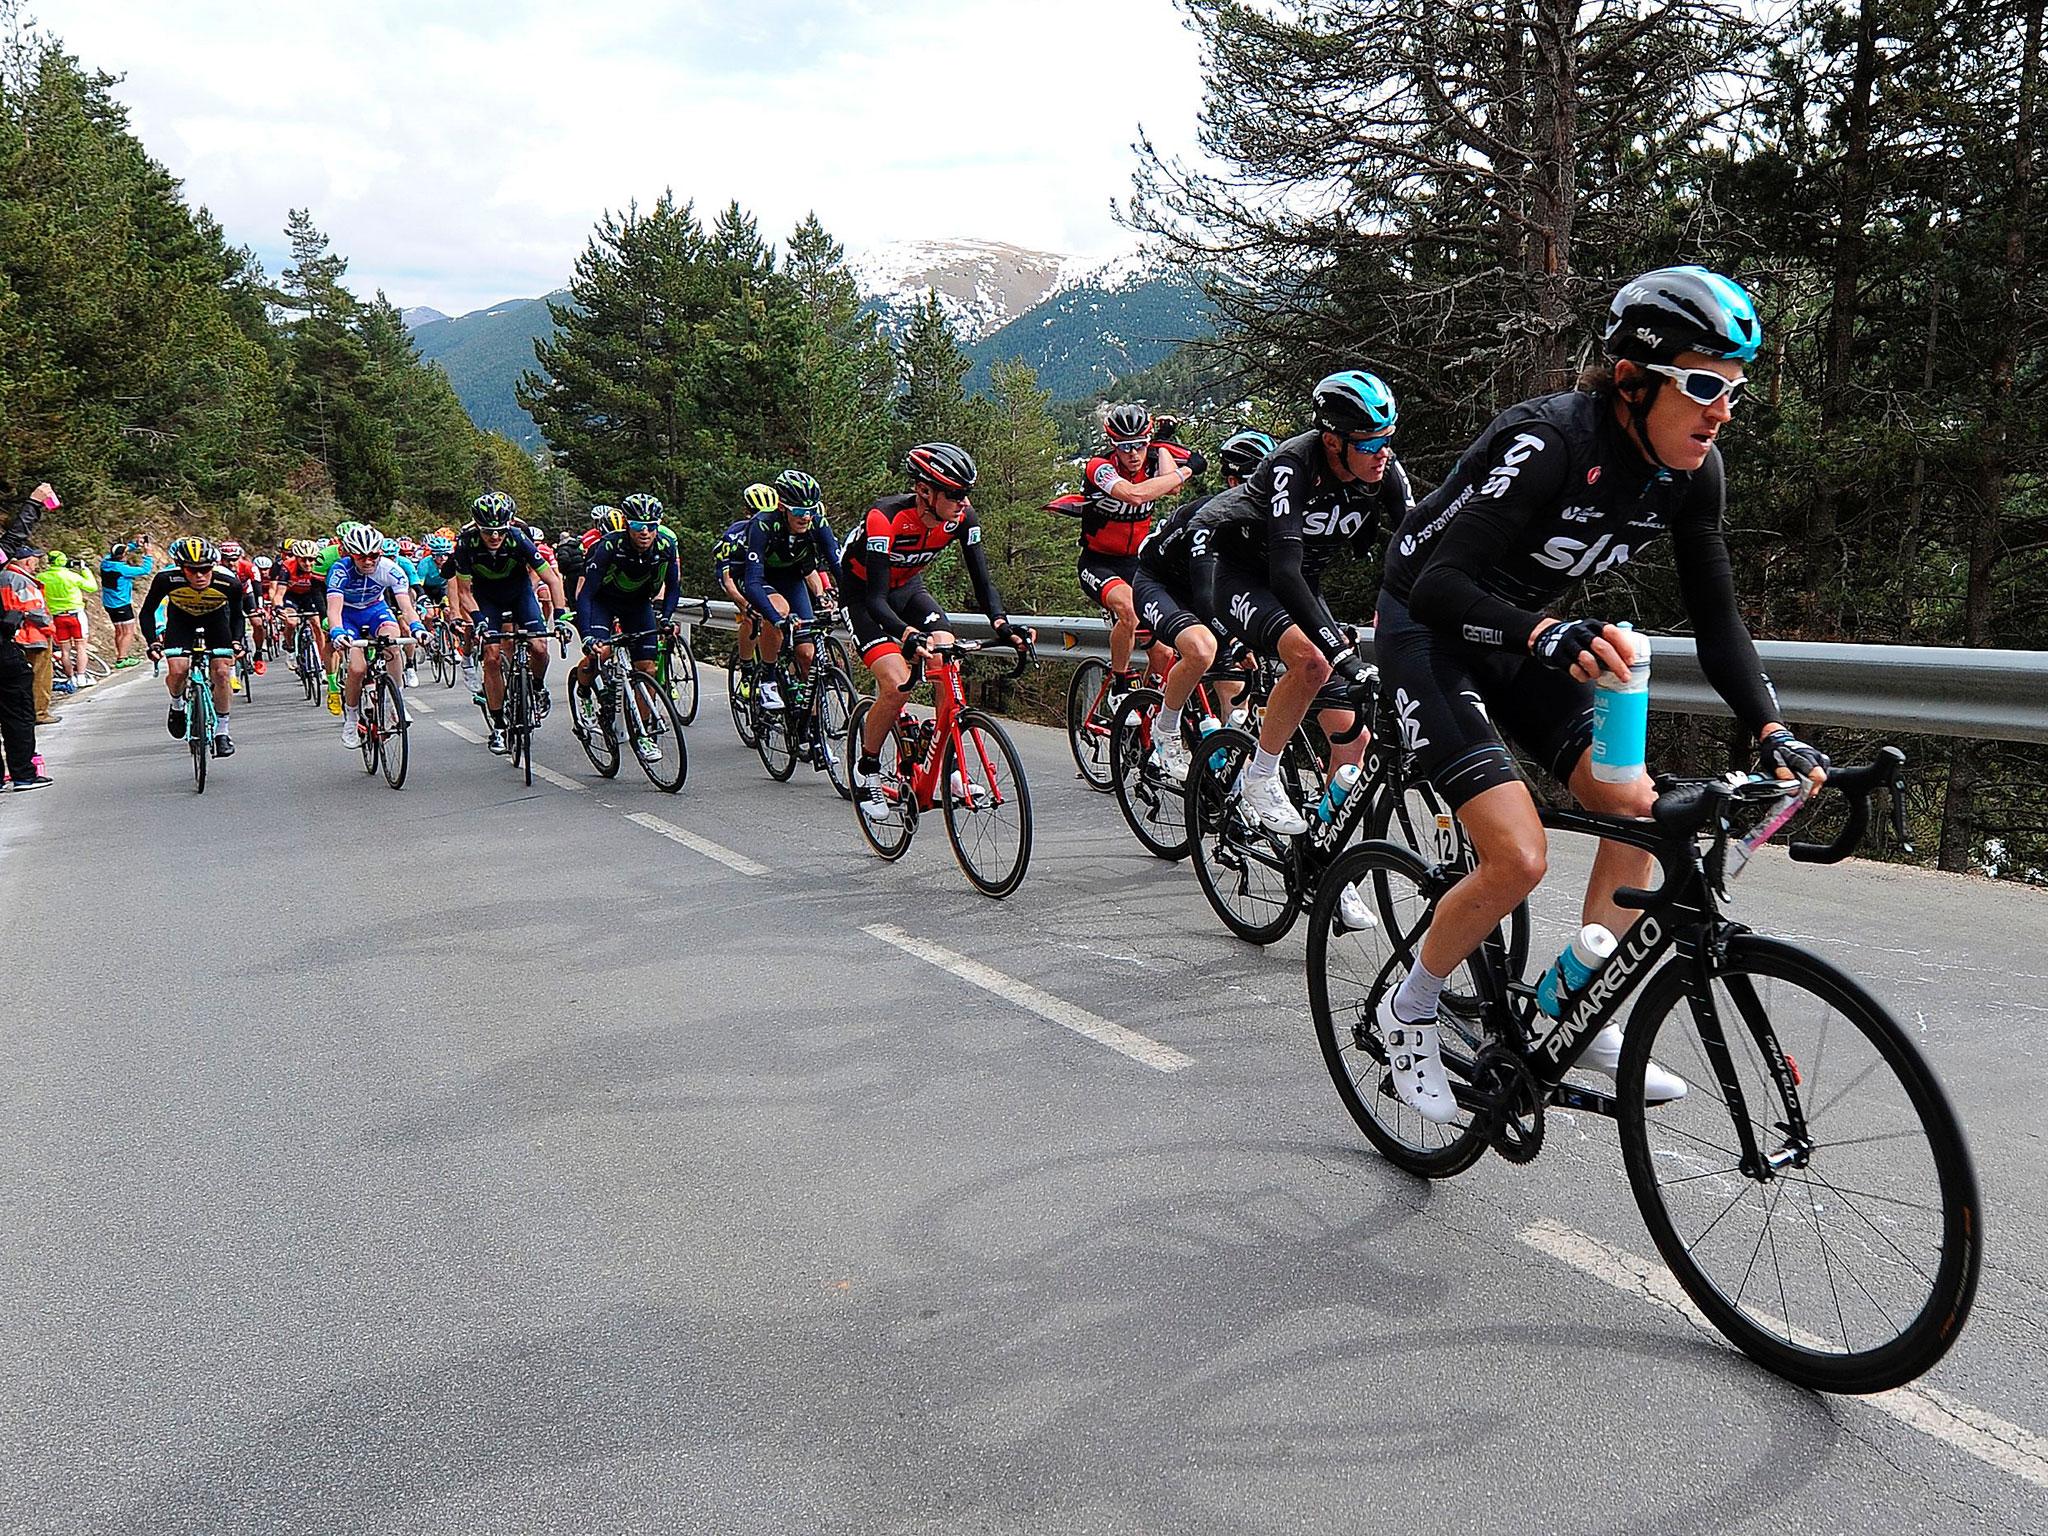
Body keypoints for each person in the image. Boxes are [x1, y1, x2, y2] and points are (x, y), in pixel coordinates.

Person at [1371, 264, 1826, 1121]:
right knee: (1518, 855)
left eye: (1733, 389)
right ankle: (1411, 1008)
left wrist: (1772, 731)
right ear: (1631, 380)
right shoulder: (1548, 444)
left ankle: (1575, 1000)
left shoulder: (1694, 474)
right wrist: (1544, 634)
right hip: (1429, 627)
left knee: (1641, 809)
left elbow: (1718, 619)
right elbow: (1436, 585)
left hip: (1522, 632)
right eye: (1701, 385)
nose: (1720, 409)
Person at [1188, 372, 1410, 837]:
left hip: (1303, 584)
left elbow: (1418, 547)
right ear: (1333, 441)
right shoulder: (1295, 464)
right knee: (1314, 661)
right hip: (1247, 576)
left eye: (1387, 439)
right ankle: (1260, 776)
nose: (1382, 453)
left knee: (1354, 740)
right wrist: (1342, 655)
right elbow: (1284, 575)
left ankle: (1326, 857)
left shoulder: (1382, 469)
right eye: (1369, 444)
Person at [841, 443, 1029, 820]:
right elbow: (878, 599)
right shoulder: (885, 517)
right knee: (895, 686)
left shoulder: (961, 517)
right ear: (925, 492)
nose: (963, 501)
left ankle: (953, 770)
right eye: (955, 493)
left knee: (947, 656)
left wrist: (1001, 622)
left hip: (910, 589)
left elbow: (982, 579)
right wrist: (906, 634)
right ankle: (867, 770)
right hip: (864, 596)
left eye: (966, 493)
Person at [1124, 430, 1277, 783]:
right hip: (1161, 584)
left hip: (1209, 595)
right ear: (1232, 480)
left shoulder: (1269, 517)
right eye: (1258, 481)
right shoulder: (1213, 517)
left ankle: (1230, 790)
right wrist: (1237, 640)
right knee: (1201, 647)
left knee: (1236, 701)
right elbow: (1208, 597)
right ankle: (1166, 731)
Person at [1073, 403, 1202, 698]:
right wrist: (1186, 470)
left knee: (1164, 656)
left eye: (1140, 445)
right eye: (1124, 446)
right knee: (1129, 611)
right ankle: (1119, 684)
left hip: (1137, 565)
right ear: (1112, 445)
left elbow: (1172, 488)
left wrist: (1163, 447)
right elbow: (1134, 495)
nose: (1133, 454)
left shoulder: (1153, 459)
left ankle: (1145, 709)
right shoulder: (1099, 467)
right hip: (1099, 563)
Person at [445, 492, 569, 755]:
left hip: (519, 594)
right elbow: (464, 591)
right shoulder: (466, 544)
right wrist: (477, 620)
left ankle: (537, 687)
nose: (494, 536)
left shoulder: (519, 539)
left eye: (500, 530)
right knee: (490, 657)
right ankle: (499, 726)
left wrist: (559, 617)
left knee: (539, 648)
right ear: (477, 526)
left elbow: (553, 580)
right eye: (488, 531)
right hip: (487, 598)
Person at [571, 495, 682, 757]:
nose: (644, 532)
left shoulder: (666, 545)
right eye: (636, 526)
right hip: (604, 602)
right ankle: (584, 691)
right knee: (598, 654)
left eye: (651, 525)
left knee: (648, 669)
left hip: (637, 604)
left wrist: (666, 618)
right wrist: (587, 634)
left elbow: (674, 586)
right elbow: (587, 594)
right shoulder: (609, 545)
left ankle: (642, 734)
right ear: (626, 525)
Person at [741, 471, 842, 711]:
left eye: (811, 509)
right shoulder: (763, 524)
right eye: (798, 511)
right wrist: (776, 620)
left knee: (807, 655)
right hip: (760, 579)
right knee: (779, 610)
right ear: (782, 506)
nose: (805, 517)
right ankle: (767, 679)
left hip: (792, 579)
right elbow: (753, 581)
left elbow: (837, 565)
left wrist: (854, 600)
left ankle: (812, 729)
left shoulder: (817, 521)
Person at [139, 537, 245, 757]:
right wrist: (153, 643)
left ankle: (222, 733)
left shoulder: (229, 583)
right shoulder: (166, 580)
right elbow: (147, 612)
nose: (199, 576)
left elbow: (237, 616)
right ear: (181, 567)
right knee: (178, 671)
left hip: (216, 620)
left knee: (222, 673)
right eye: (192, 570)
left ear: (213, 567)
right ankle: (177, 704)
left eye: (205, 569)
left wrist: (236, 641)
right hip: (181, 621)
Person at [324, 523, 426, 750]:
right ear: (351, 554)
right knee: (358, 669)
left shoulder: (391, 569)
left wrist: (417, 627)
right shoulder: (340, 571)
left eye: (374, 555)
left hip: (375, 611)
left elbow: (406, 608)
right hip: (348, 615)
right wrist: (338, 632)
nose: (368, 561)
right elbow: (334, 610)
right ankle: (350, 719)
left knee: (393, 643)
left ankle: (395, 702)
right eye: (361, 557)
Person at [0, 547, 52, 788]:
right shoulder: (16, 579)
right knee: (19, 714)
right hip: (18, 644)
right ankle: (23, 774)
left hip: (15, 642)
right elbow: (30, 609)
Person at [36, 551, 96, 692]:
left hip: (58, 616)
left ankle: (71, 678)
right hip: (75, 613)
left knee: (65, 650)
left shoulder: (42, 577)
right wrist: (85, 569)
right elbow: (92, 587)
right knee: (81, 646)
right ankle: (81, 676)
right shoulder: (71, 576)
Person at [99, 539, 157, 667]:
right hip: (122, 603)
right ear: (123, 556)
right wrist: (148, 554)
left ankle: (120, 655)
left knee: (119, 631)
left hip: (109, 603)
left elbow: (117, 552)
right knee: (128, 631)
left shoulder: (105, 563)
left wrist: (135, 545)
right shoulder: (123, 569)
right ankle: (122, 658)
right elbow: (145, 570)